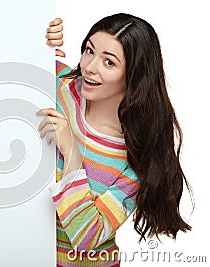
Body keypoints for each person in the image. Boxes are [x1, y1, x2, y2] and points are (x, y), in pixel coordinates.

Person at [36, 13, 192, 266]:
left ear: (134, 76)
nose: (89, 66)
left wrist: (72, 153)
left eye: (109, 62)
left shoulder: (137, 157)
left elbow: (89, 238)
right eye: (89, 50)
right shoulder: (58, 86)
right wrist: (37, 40)